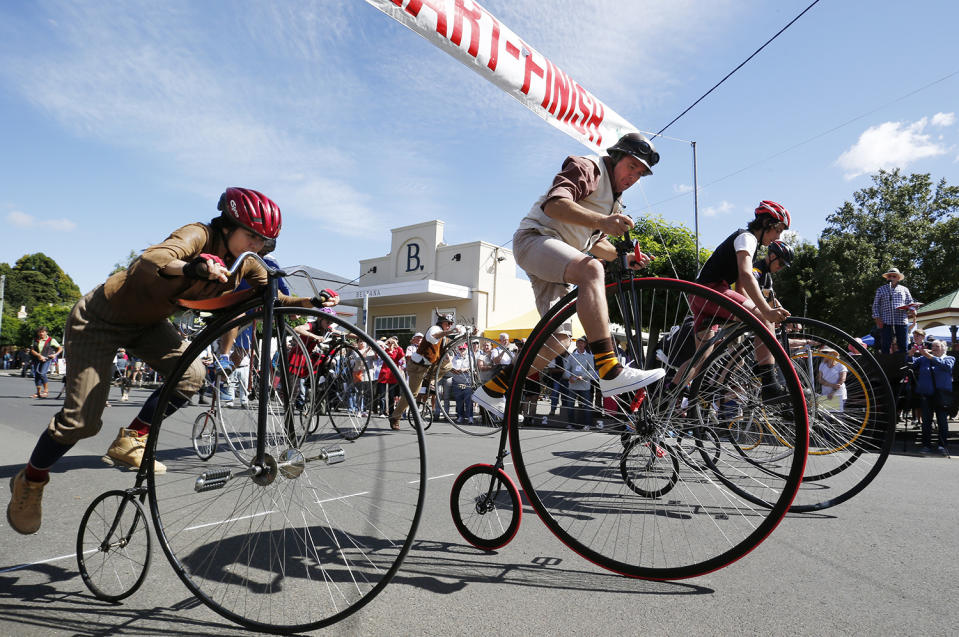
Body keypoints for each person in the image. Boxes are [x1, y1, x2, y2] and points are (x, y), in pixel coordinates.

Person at [6, 187, 338, 535]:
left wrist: (313, 302)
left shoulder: (249, 264)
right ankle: (31, 479)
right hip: (99, 319)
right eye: (251, 235)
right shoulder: (199, 235)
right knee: (80, 422)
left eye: (264, 241)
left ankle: (131, 438)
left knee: (191, 375)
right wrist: (194, 267)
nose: (256, 245)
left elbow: (275, 297)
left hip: (148, 325)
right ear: (227, 225)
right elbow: (151, 260)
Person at [472, 133, 666, 418]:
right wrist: (602, 221)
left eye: (640, 174)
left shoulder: (615, 200)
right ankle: (610, 368)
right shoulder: (588, 167)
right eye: (631, 167)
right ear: (615, 158)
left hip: (559, 256)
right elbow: (555, 205)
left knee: (557, 342)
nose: (633, 177)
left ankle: (493, 391)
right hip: (535, 239)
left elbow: (592, 240)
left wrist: (623, 258)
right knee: (591, 269)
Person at [688, 201, 793, 400]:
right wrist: (765, 312)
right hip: (712, 291)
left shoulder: (746, 242)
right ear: (766, 224)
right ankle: (769, 384)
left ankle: (667, 392)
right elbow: (746, 275)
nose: (778, 236)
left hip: (698, 296)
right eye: (778, 230)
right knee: (764, 319)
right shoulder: (747, 238)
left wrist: (749, 312)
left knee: (701, 358)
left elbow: (741, 287)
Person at [388, 313, 459, 430]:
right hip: (417, 366)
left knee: (448, 365)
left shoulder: (444, 337)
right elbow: (433, 336)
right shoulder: (435, 329)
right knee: (412, 394)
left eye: (451, 324)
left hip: (428, 366)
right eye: (448, 323)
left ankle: (430, 381)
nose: (450, 326)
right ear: (441, 322)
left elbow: (445, 353)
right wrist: (450, 332)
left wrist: (471, 334)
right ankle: (395, 416)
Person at [912, 339, 954, 455]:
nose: (934, 348)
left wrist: (929, 356)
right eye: (933, 346)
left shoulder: (949, 358)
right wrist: (911, 353)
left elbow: (946, 367)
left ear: (944, 348)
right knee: (926, 422)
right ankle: (926, 445)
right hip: (927, 394)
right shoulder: (924, 358)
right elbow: (911, 364)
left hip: (941, 395)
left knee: (942, 421)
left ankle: (942, 446)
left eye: (937, 346)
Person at [872, 267, 917, 355]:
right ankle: (885, 365)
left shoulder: (904, 289)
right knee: (885, 345)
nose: (891, 278)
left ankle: (903, 364)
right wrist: (877, 318)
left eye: (894, 276)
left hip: (901, 320)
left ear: (898, 278)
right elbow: (875, 305)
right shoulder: (881, 289)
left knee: (903, 345)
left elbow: (910, 302)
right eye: (889, 276)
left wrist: (913, 309)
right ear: (887, 278)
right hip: (886, 321)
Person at [564, 336, 596, 430]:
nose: (580, 344)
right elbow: (566, 369)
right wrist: (569, 377)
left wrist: (583, 376)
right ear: (576, 344)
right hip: (572, 385)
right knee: (570, 405)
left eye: (582, 343)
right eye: (578, 343)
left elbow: (592, 371)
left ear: (585, 344)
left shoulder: (589, 357)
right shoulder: (571, 356)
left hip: (585, 386)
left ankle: (587, 425)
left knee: (587, 406)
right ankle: (571, 424)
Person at [27, 327, 63, 399]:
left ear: (46, 332)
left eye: (43, 332)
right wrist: (39, 355)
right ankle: (38, 393)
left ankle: (46, 391)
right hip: (37, 359)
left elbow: (60, 348)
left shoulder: (51, 340)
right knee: (37, 375)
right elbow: (32, 350)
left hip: (47, 359)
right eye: (40, 332)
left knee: (42, 373)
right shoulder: (35, 340)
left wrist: (55, 354)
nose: (41, 333)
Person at [816, 347, 847, 412]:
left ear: (832, 354)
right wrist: (832, 385)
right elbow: (820, 379)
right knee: (826, 418)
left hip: (838, 395)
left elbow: (842, 380)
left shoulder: (841, 365)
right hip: (825, 395)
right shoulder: (822, 365)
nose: (822, 355)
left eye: (825, 353)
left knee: (837, 418)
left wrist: (832, 392)